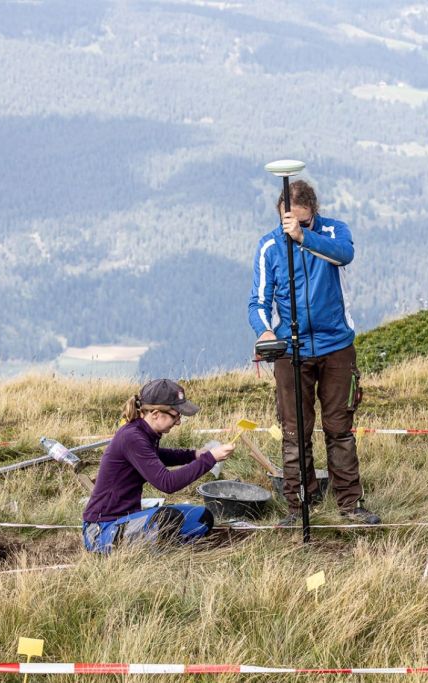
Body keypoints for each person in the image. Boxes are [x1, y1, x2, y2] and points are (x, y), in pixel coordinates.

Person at [248, 179, 380, 526]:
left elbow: (344, 255)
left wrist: (305, 237)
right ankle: (298, 507)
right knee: (295, 432)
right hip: (291, 351)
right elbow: (258, 300)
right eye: (287, 223)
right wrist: (264, 331)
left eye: (301, 222)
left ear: (313, 214)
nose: (291, 228)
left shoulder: (334, 232)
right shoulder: (269, 247)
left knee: (339, 428)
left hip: (336, 346)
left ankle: (350, 505)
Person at [82, 379, 234, 553]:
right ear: (155, 414)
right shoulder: (132, 437)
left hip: (129, 519)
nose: (178, 422)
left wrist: (194, 454)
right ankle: (156, 549)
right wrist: (210, 458)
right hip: (102, 530)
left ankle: (161, 544)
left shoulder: (143, 432)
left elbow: (158, 456)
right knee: (168, 518)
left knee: (202, 517)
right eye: (176, 415)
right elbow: (167, 483)